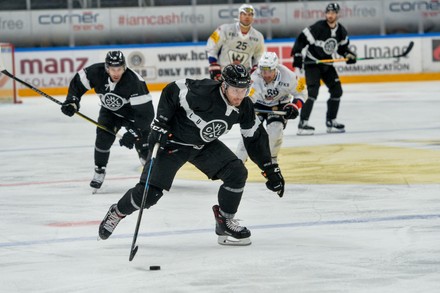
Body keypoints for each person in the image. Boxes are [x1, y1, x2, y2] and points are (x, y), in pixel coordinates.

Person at [98, 64, 285, 246]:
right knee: (149, 195)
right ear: (224, 85)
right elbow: (173, 89)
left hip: (204, 145)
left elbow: (254, 138)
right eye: (235, 90)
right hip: (172, 144)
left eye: (243, 90)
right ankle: (117, 212)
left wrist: (269, 168)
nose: (239, 95)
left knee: (236, 173)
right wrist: (162, 120)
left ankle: (224, 222)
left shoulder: (245, 107)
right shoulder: (203, 92)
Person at [61, 51, 154, 193]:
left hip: (133, 116)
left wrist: (134, 132)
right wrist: (72, 101)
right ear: (106, 68)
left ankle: (146, 163)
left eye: (119, 69)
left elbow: (146, 114)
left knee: (144, 145)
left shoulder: (135, 82)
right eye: (112, 69)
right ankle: (99, 170)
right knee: (102, 139)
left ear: (124, 67)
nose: (116, 73)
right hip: (110, 113)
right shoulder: (95, 72)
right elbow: (78, 83)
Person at [291, 3, 357, 135]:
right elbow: (301, 40)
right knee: (312, 92)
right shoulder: (318, 27)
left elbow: (343, 49)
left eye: (333, 13)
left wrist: (350, 56)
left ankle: (331, 122)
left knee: (337, 90)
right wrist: (298, 58)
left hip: (327, 64)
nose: (330, 15)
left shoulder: (341, 31)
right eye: (328, 12)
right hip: (312, 63)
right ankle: (303, 123)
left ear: (337, 14)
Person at [236, 52, 307, 164]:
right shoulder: (254, 77)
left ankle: (271, 159)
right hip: (258, 104)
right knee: (249, 132)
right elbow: (250, 97)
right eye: (263, 71)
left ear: (276, 68)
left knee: (275, 130)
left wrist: (294, 106)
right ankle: (238, 161)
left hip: (280, 104)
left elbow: (302, 93)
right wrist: (245, 107)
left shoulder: (289, 76)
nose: (266, 74)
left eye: (269, 71)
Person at [206, 4, 265, 81]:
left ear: (253, 17)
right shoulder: (224, 29)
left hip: (244, 74)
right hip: (223, 72)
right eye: (244, 14)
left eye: (250, 14)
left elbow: (259, 56)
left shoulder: (258, 36)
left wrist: (255, 70)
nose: (247, 17)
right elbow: (212, 46)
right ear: (239, 15)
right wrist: (214, 66)